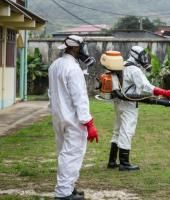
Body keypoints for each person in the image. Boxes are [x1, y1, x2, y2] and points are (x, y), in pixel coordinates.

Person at [107, 46, 170, 171]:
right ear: (135, 56)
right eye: (142, 56)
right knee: (127, 131)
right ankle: (124, 163)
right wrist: (164, 92)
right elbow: (145, 86)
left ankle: (112, 161)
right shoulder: (134, 70)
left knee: (117, 129)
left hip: (118, 102)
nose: (144, 59)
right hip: (129, 103)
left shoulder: (121, 65)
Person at [48, 35, 99, 200]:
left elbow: (51, 93)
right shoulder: (73, 68)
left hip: (58, 116)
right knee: (72, 154)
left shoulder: (55, 65)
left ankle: (69, 187)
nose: (84, 50)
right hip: (73, 118)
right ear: (76, 48)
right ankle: (63, 193)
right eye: (82, 47)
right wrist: (88, 123)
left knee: (63, 152)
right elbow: (80, 98)